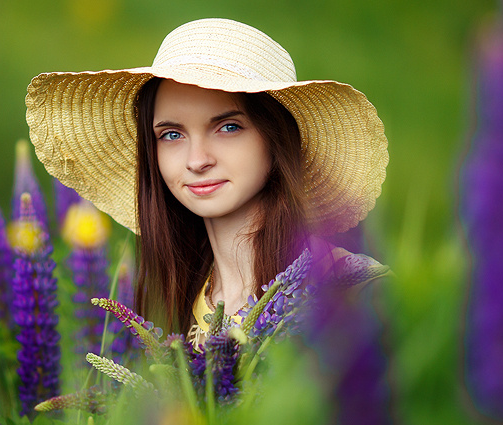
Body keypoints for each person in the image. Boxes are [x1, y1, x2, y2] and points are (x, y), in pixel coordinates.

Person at [25, 18, 389, 345]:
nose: (197, 161)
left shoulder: (352, 288)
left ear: (276, 139)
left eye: (228, 127)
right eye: (171, 135)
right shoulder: (183, 309)